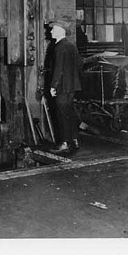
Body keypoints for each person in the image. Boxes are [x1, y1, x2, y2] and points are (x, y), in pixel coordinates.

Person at [49, 20, 82, 155]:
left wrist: (53, 86)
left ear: (60, 31)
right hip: (72, 87)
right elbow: (79, 64)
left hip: (62, 86)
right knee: (69, 114)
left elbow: (58, 69)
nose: (51, 31)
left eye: (53, 29)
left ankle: (64, 143)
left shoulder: (59, 47)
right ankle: (74, 140)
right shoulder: (71, 45)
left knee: (61, 115)